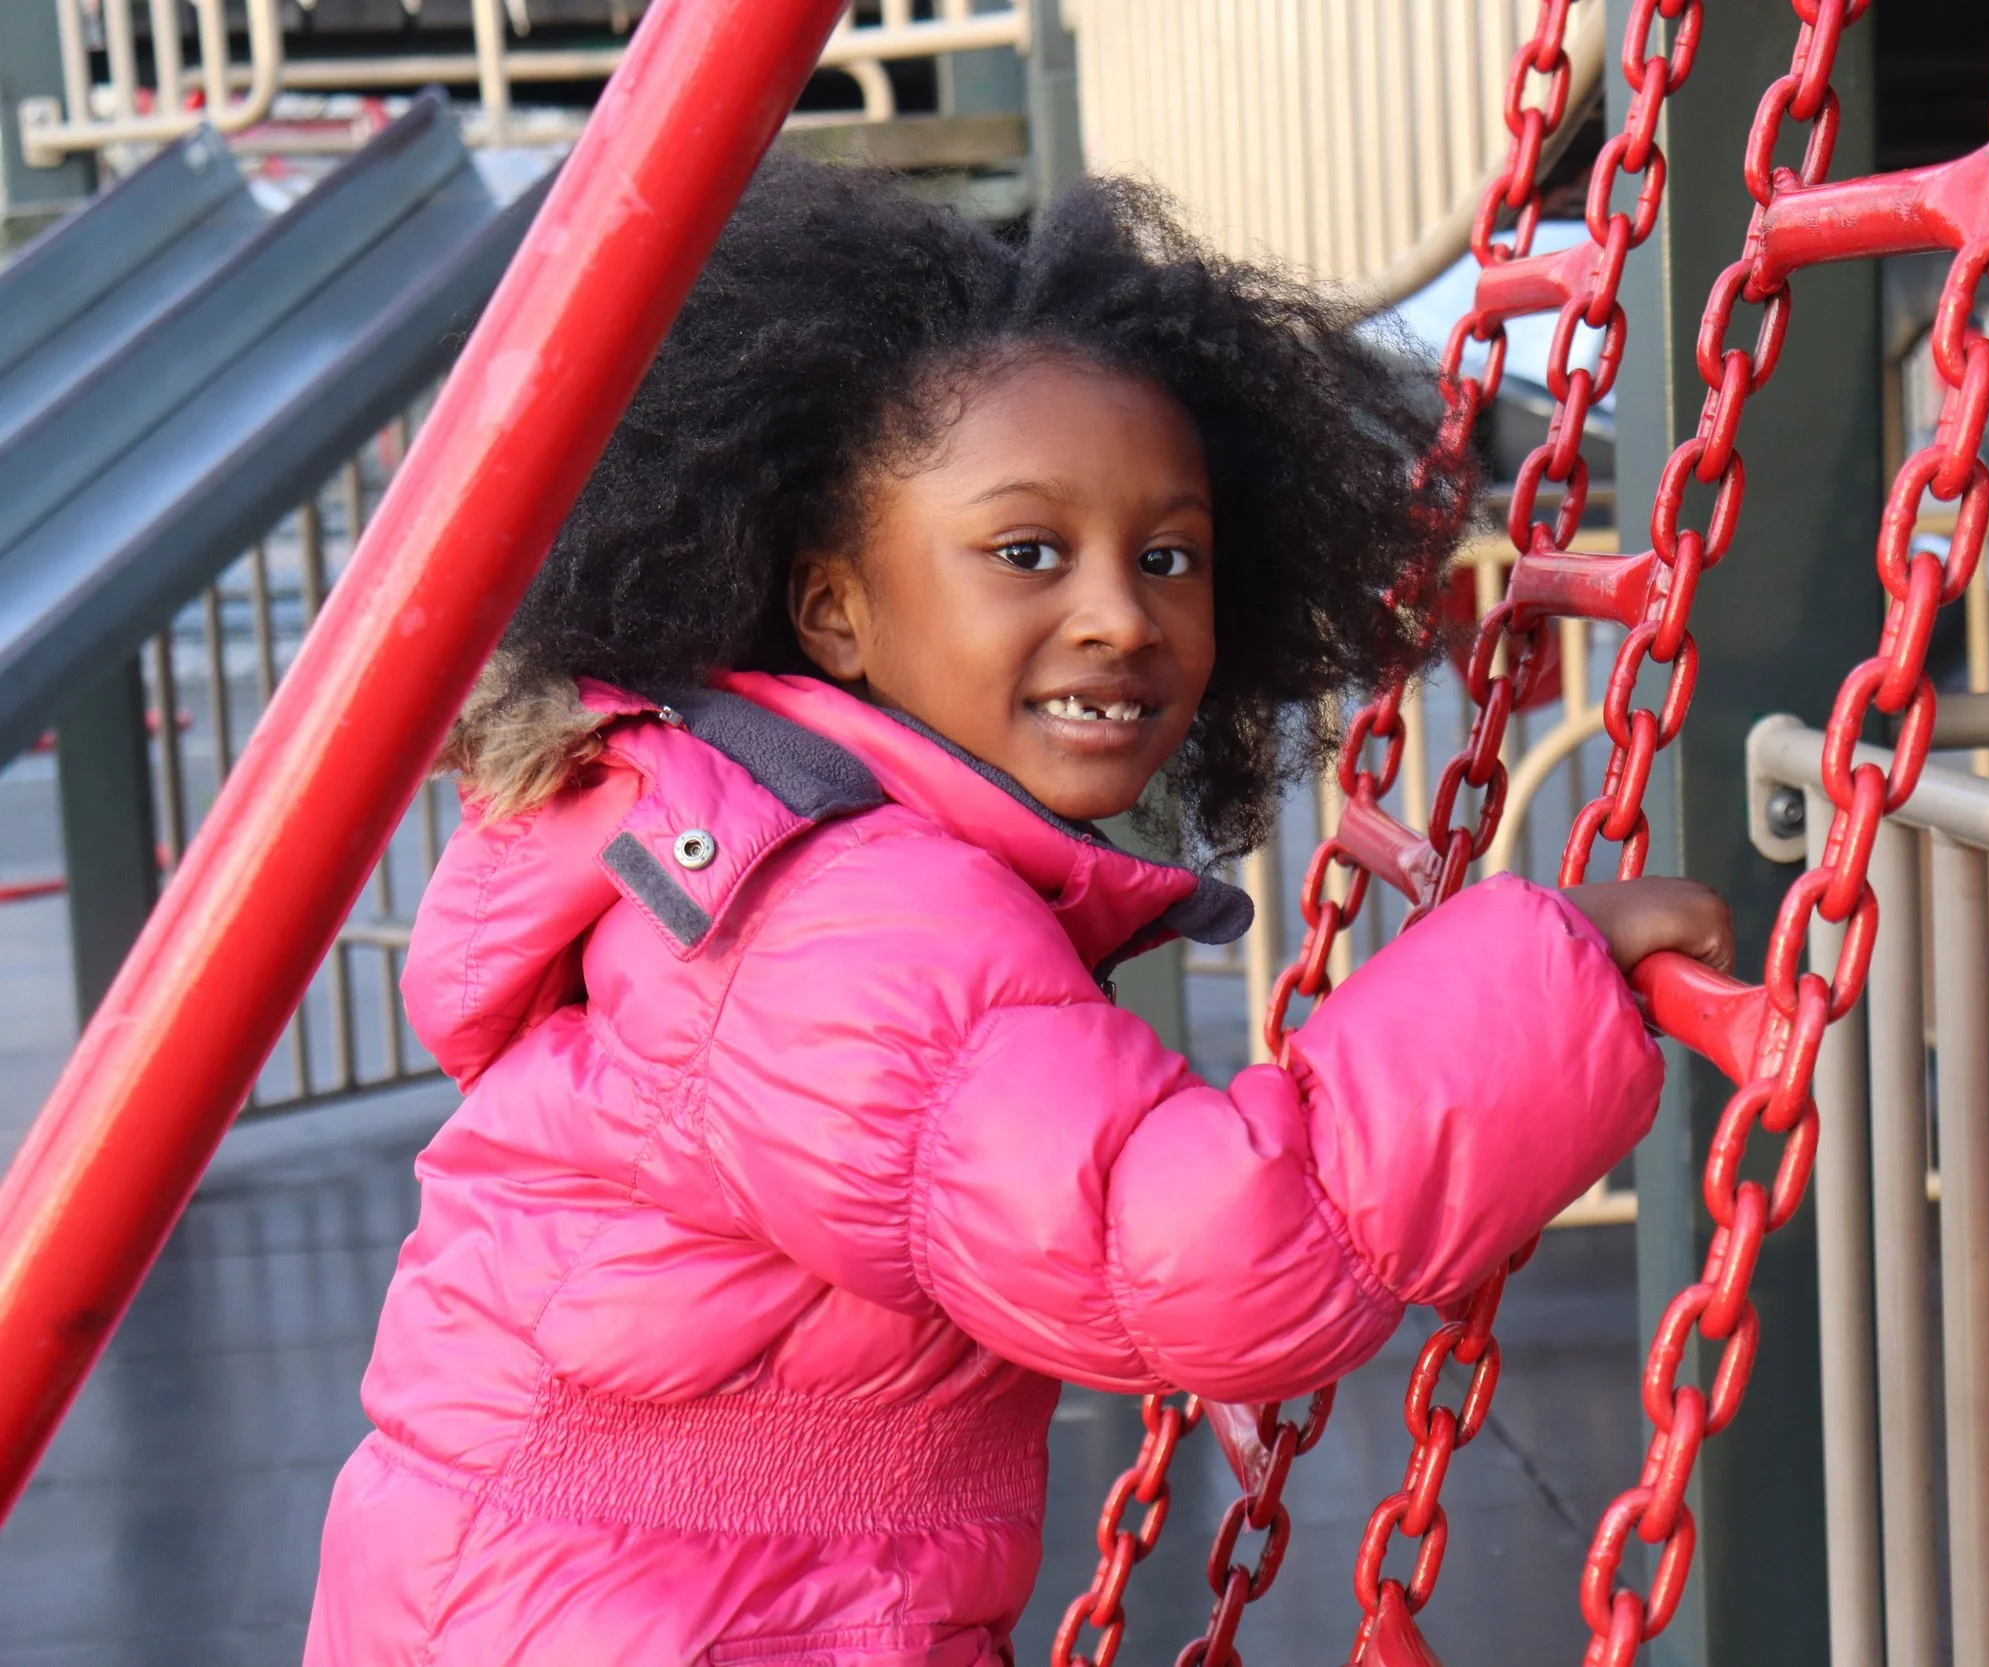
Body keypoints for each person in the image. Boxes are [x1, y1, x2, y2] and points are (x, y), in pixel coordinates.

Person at [304, 160, 1730, 1665]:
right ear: (834, 605)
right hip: (660, 1611)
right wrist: (1553, 977)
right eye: (1028, 551)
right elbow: (1191, 1248)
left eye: (1166, 554)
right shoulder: (852, 915)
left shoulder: (750, 823)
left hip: (602, 1588)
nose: (1121, 610)